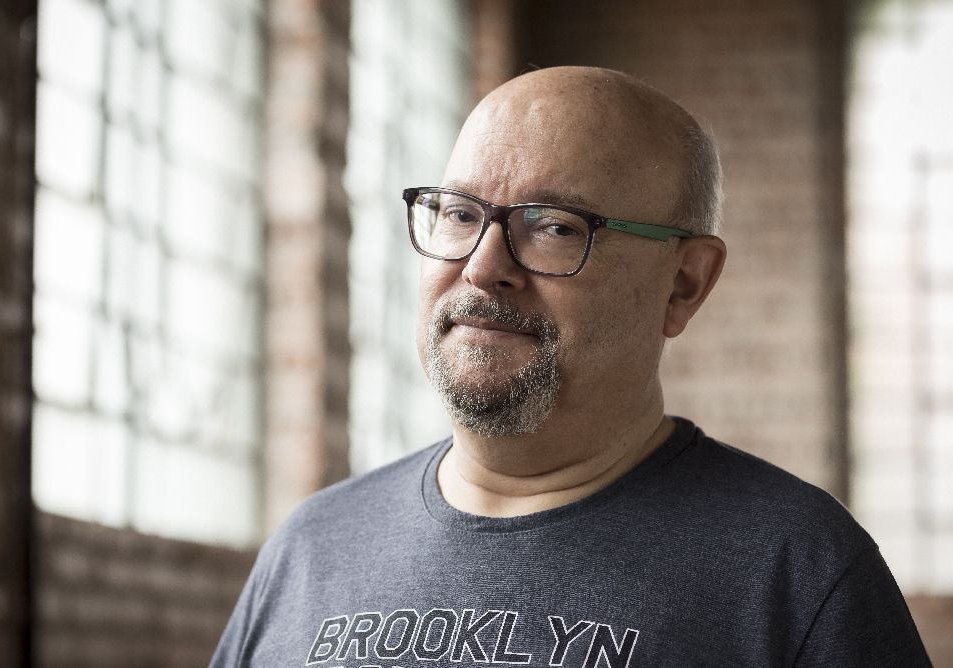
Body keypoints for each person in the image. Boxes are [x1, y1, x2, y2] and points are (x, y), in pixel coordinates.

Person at [211, 66, 930, 666]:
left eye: (555, 226)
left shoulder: (798, 572)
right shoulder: (310, 549)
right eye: (460, 215)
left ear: (684, 284)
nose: (484, 267)